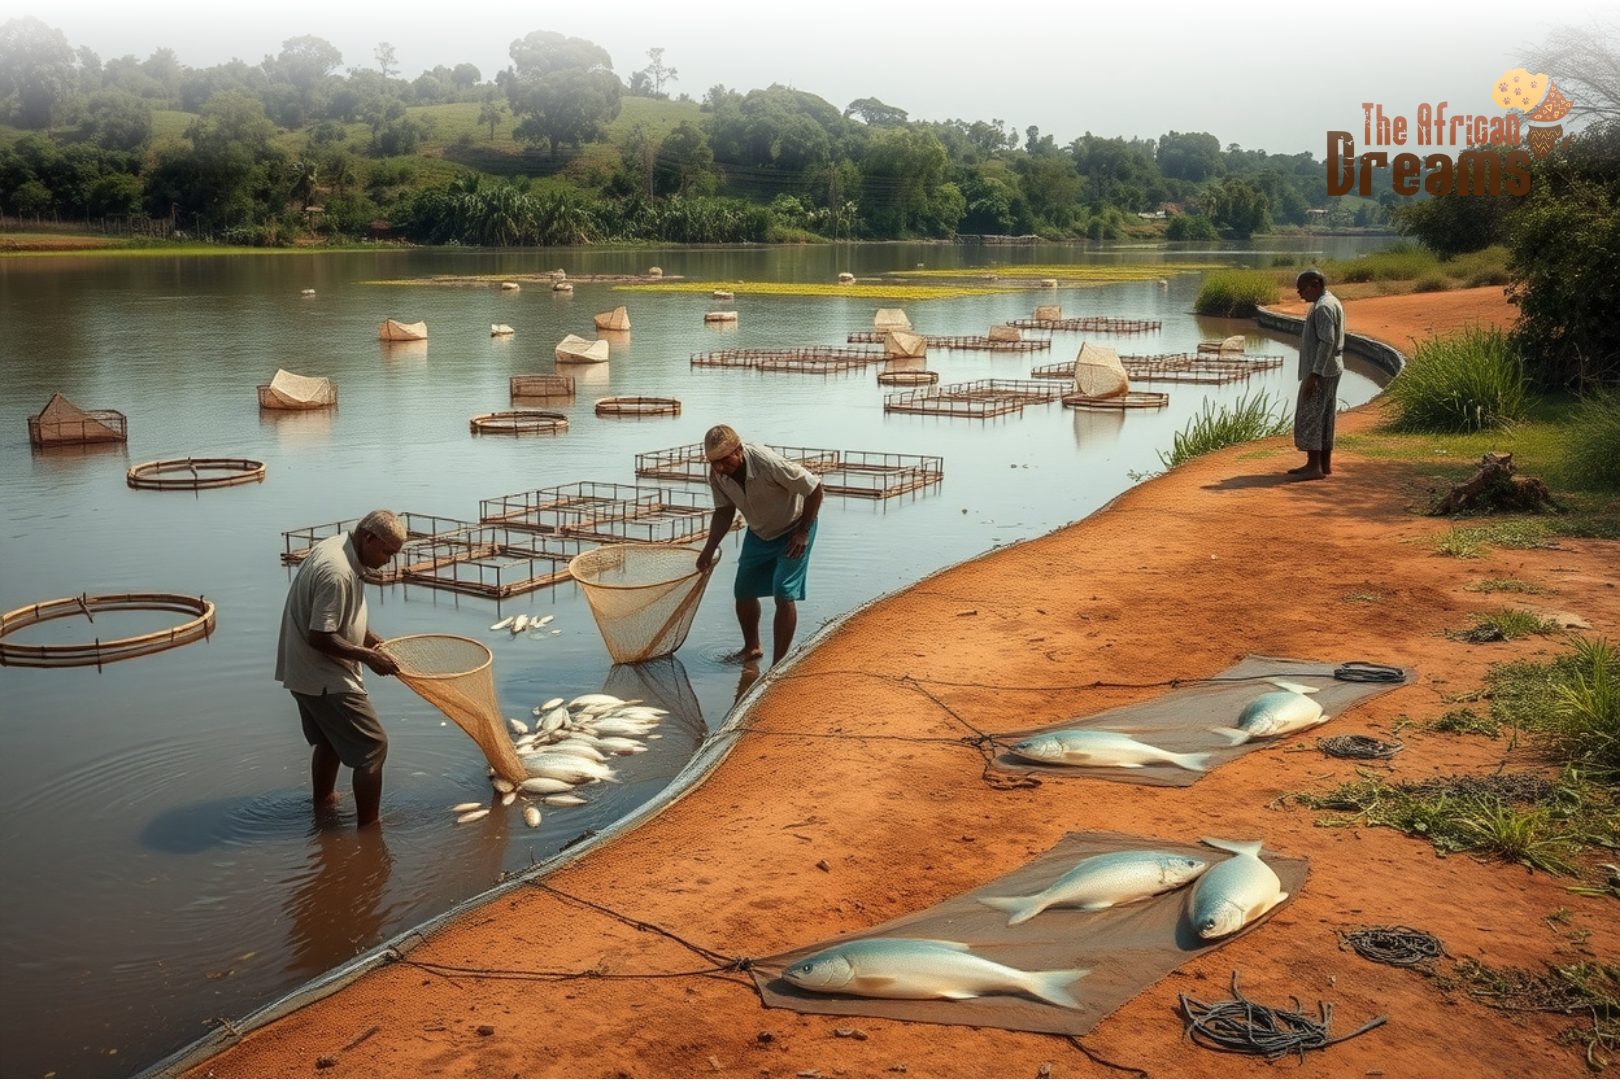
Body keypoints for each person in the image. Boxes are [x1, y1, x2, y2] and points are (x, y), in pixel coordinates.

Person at [275, 510, 405, 828]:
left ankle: (323, 807)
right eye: (386, 552)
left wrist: (369, 637)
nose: (389, 560)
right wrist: (369, 657)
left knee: (330, 740)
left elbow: (337, 617)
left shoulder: (339, 547)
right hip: (323, 674)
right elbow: (320, 637)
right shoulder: (338, 571)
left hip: (303, 669)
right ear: (368, 538)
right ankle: (370, 829)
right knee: (374, 746)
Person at [696, 424, 824, 667]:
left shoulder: (767, 463)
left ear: (739, 450)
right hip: (759, 531)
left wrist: (803, 532)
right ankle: (752, 647)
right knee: (743, 590)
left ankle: (778, 666)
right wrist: (708, 549)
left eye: (726, 460)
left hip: (794, 527)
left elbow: (814, 488)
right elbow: (724, 512)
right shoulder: (718, 475)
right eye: (715, 462)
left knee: (783, 590)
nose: (722, 467)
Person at [1289, 268, 1345, 481]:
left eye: (1301, 288)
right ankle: (1324, 465)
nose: (1299, 293)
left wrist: (1314, 374)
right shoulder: (1330, 302)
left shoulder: (1323, 307)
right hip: (1332, 369)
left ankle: (1314, 468)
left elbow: (1327, 341)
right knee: (1325, 416)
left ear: (1315, 284)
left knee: (1310, 415)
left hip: (1321, 371)